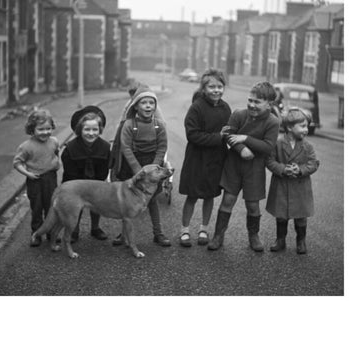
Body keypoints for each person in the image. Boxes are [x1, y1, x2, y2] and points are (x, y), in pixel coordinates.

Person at [208, 81, 280, 252]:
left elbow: (268, 147)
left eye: (257, 102)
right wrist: (241, 149)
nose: (252, 105)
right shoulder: (239, 114)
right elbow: (227, 135)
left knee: (253, 205)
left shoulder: (273, 122)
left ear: (269, 104)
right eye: (250, 100)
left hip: (255, 169)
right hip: (233, 165)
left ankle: (253, 236)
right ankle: (218, 235)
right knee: (228, 200)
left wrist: (245, 138)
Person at [110, 85, 171, 247]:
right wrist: (139, 171)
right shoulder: (129, 125)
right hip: (132, 166)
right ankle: (123, 235)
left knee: (152, 201)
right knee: (127, 200)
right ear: (135, 106)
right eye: (144, 103)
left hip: (152, 167)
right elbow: (126, 148)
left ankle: (158, 233)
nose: (148, 106)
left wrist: (154, 168)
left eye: (151, 103)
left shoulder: (159, 125)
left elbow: (162, 147)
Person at [178, 68, 231, 247]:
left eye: (220, 86)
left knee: (209, 196)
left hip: (216, 160)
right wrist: (218, 137)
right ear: (203, 88)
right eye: (212, 87)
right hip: (197, 159)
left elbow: (229, 132)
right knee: (192, 196)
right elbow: (192, 135)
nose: (216, 90)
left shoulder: (225, 108)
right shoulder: (196, 108)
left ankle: (203, 229)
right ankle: (184, 230)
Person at [265, 108, 320, 254]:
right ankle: (280, 240)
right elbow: (269, 161)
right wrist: (283, 169)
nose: (306, 130)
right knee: (281, 215)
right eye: (302, 126)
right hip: (281, 185)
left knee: (301, 216)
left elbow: (313, 163)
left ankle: (301, 241)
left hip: (300, 186)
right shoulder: (278, 144)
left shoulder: (308, 146)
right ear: (289, 127)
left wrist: (300, 170)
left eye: (307, 126)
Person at [61, 106, 110, 243]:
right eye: (87, 129)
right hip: (75, 184)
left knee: (97, 204)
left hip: (96, 182)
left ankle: (95, 228)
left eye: (95, 129)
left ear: (99, 130)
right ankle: (74, 229)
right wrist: (80, 188)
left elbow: (103, 170)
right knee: (76, 206)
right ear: (80, 130)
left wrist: (96, 185)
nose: (91, 133)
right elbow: (70, 173)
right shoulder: (70, 149)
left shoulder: (105, 147)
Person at [13, 109, 60, 247]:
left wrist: (57, 163)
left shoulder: (54, 141)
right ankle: (36, 234)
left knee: (51, 207)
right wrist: (28, 174)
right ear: (32, 129)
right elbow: (17, 163)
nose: (45, 132)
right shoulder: (26, 146)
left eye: (48, 128)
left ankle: (51, 232)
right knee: (37, 208)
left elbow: (56, 153)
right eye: (41, 129)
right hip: (35, 180)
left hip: (50, 178)